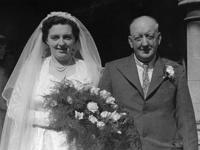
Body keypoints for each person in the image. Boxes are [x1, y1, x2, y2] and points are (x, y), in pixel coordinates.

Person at [0, 12, 102, 150]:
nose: (61, 43)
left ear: (75, 40)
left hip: (77, 143)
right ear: (46, 40)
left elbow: (100, 109)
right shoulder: (33, 69)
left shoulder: (89, 70)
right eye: (55, 37)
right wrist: (52, 120)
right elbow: (14, 108)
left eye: (67, 37)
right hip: (37, 141)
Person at [99, 16, 198, 150]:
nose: (144, 43)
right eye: (138, 38)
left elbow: (186, 120)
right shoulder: (112, 69)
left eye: (149, 36)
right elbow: (100, 117)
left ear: (159, 39)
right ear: (130, 41)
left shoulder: (176, 71)